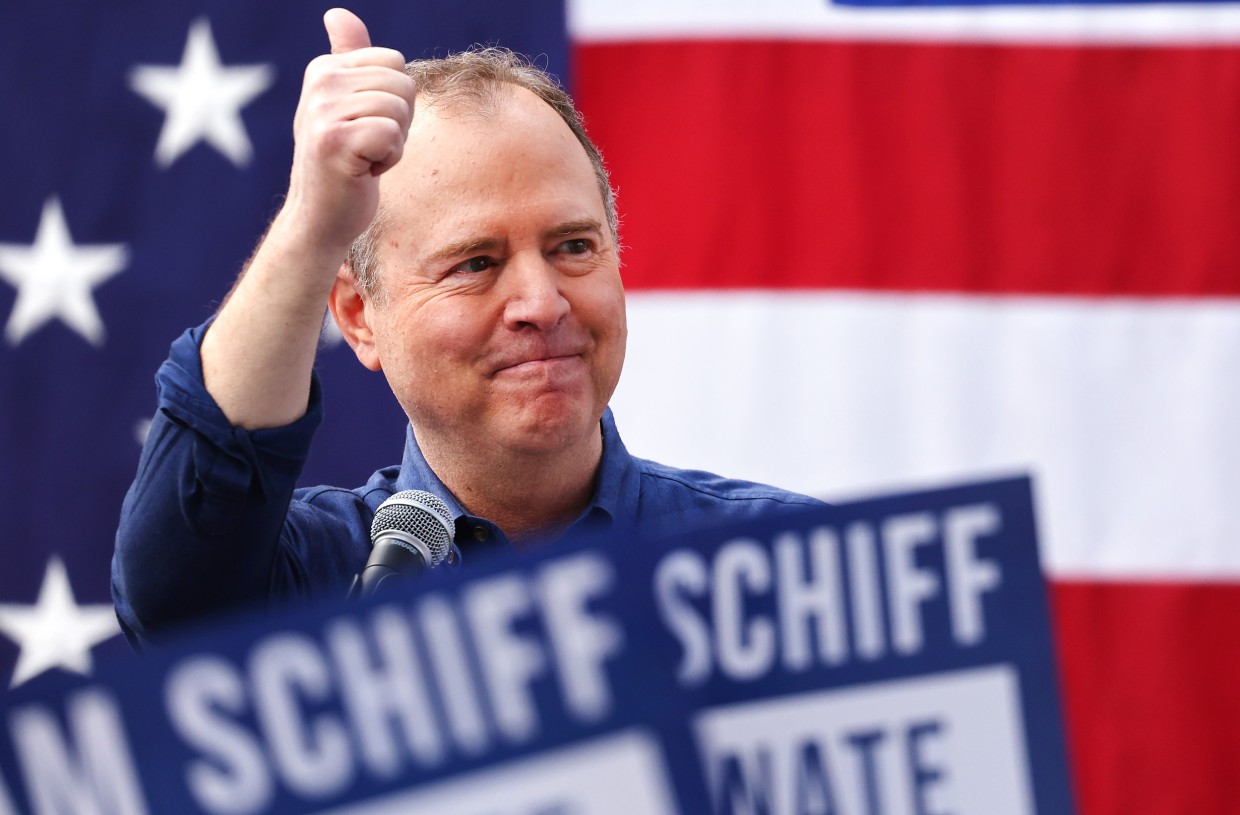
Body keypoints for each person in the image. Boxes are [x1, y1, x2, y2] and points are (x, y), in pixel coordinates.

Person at [112, 8, 822, 645]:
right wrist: (310, 225)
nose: (541, 303)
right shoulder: (314, 580)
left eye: (574, 246)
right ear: (359, 315)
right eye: (476, 262)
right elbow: (173, 591)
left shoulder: (789, 569)